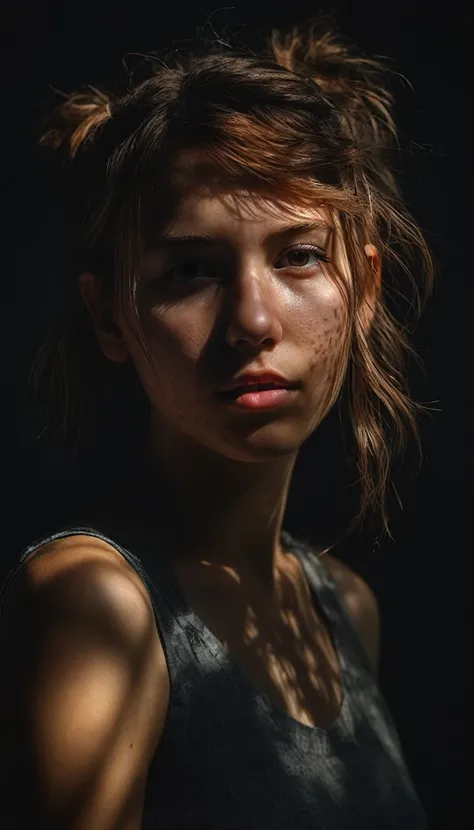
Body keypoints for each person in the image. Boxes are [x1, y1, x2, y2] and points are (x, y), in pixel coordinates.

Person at [1, 15, 433, 830]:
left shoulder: (345, 607)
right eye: (191, 269)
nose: (252, 321)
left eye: (299, 255)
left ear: (366, 288)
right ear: (111, 318)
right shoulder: (97, 604)